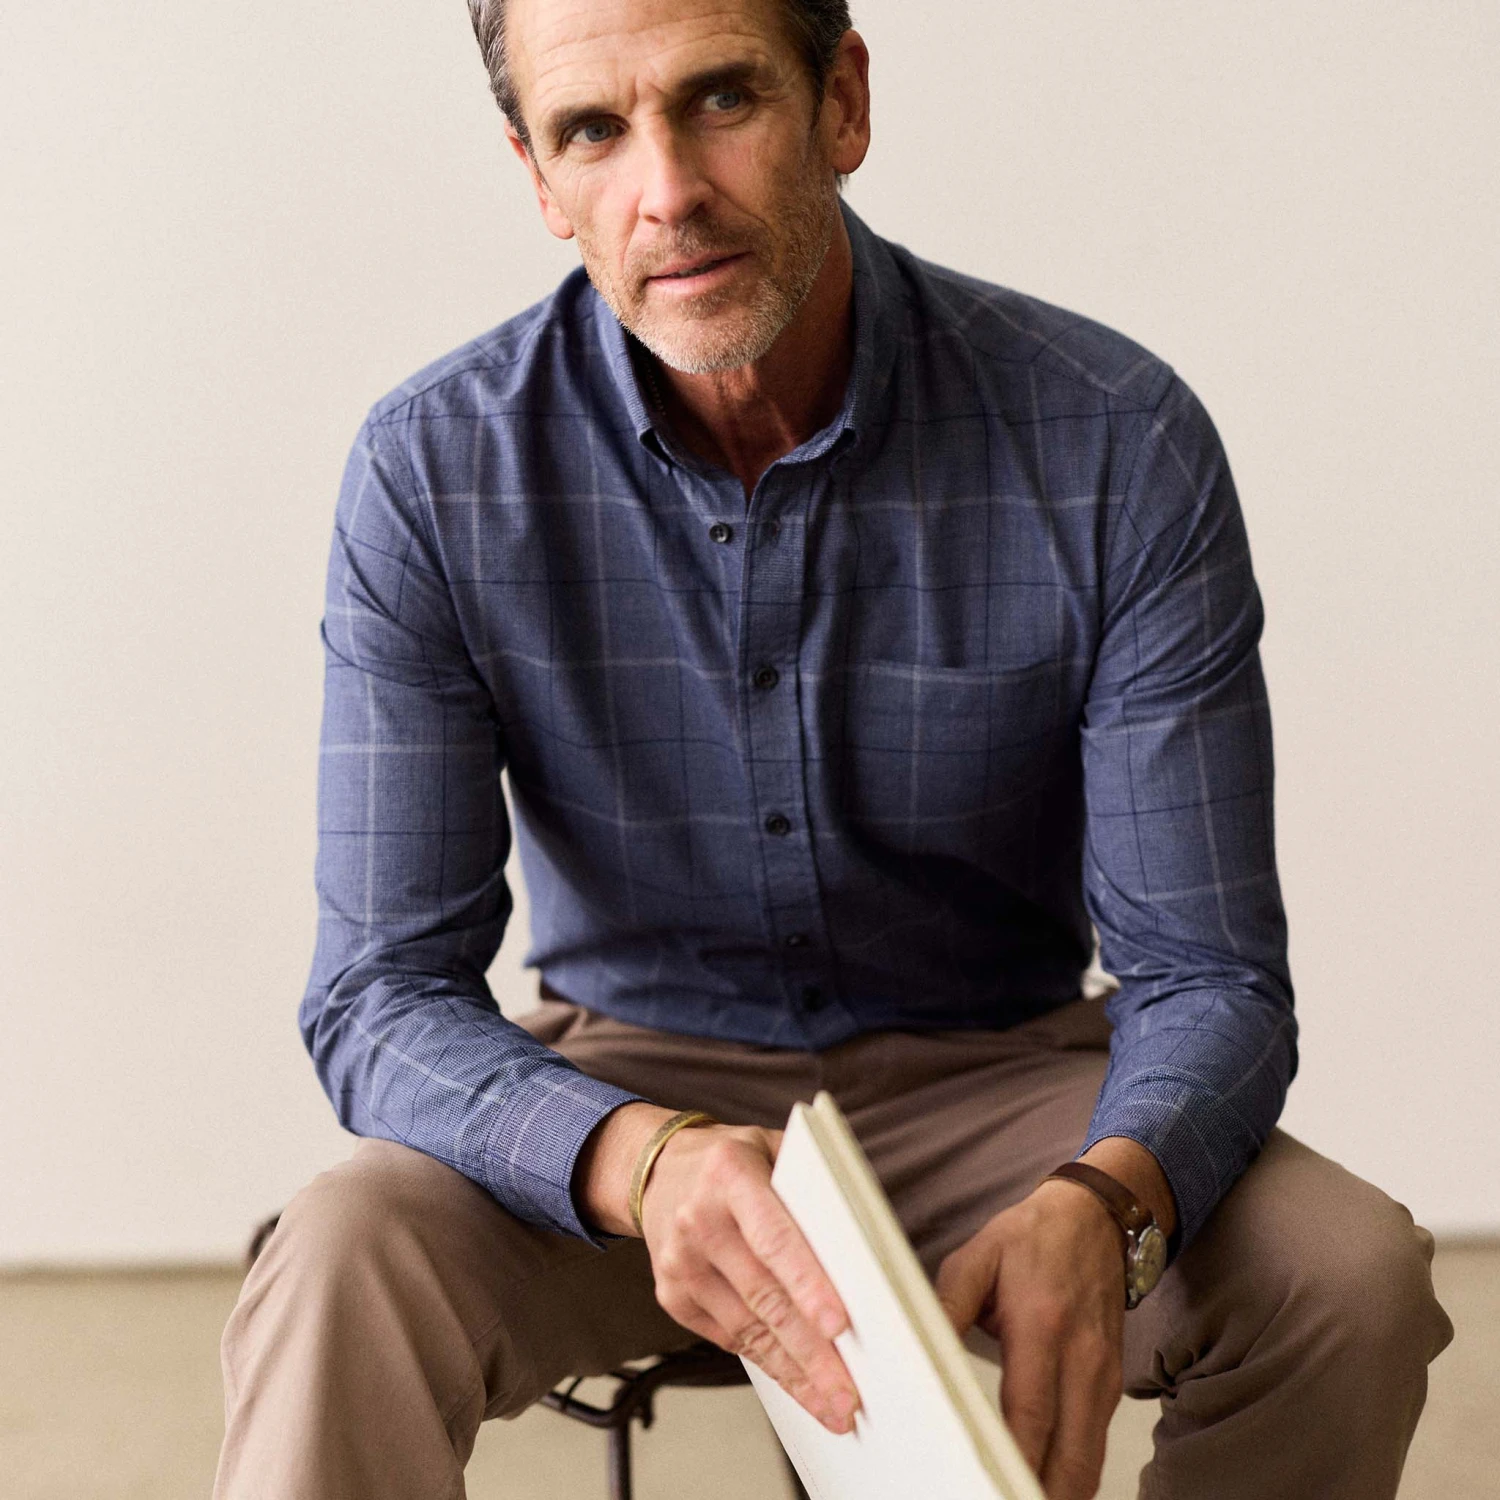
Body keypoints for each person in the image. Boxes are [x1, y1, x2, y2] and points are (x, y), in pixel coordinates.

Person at [213, 2, 1452, 1497]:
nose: (668, 192)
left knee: (1346, 1279)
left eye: (721, 99)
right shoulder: (434, 471)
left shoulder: (1113, 441)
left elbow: (1209, 975)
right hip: (633, 1089)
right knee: (338, 1260)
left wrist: (1110, 1200)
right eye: (593, 130)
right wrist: (637, 1155)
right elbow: (377, 993)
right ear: (539, 178)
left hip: (1004, 1088)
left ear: (842, 102)